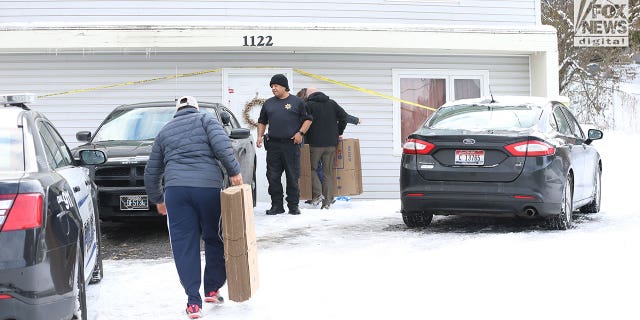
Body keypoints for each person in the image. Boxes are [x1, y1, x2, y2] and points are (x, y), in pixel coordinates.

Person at [144, 96, 243, 319]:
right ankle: (212, 289)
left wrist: (158, 199)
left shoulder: (165, 131)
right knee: (214, 236)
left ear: (177, 111)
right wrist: (234, 172)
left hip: (176, 191)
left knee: (184, 244)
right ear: (196, 108)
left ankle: (193, 302)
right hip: (207, 189)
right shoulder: (207, 121)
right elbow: (222, 147)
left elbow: (152, 171)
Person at [256, 74, 312, 215]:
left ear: (284, 86)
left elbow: (308, 119)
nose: (273, 88)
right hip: (273, 145)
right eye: (272, 86)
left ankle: (293, 206)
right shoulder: (268, 103)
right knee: (272, 177)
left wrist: (300, 133)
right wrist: (259, 136)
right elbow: (262, 121)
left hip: (291, 145)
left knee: (292, 176)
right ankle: (277, 206)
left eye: (276, 86)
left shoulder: (297, 102)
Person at [304, 87, 360, 209]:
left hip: (314, 144)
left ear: (309, 95)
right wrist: (339, 132)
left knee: (312, 169)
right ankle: (327, 202)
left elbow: (303, 122)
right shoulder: (332, 103)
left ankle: (318, 194)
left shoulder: (308, 105)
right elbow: (344, 117)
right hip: (331, 144)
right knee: (327, 173)